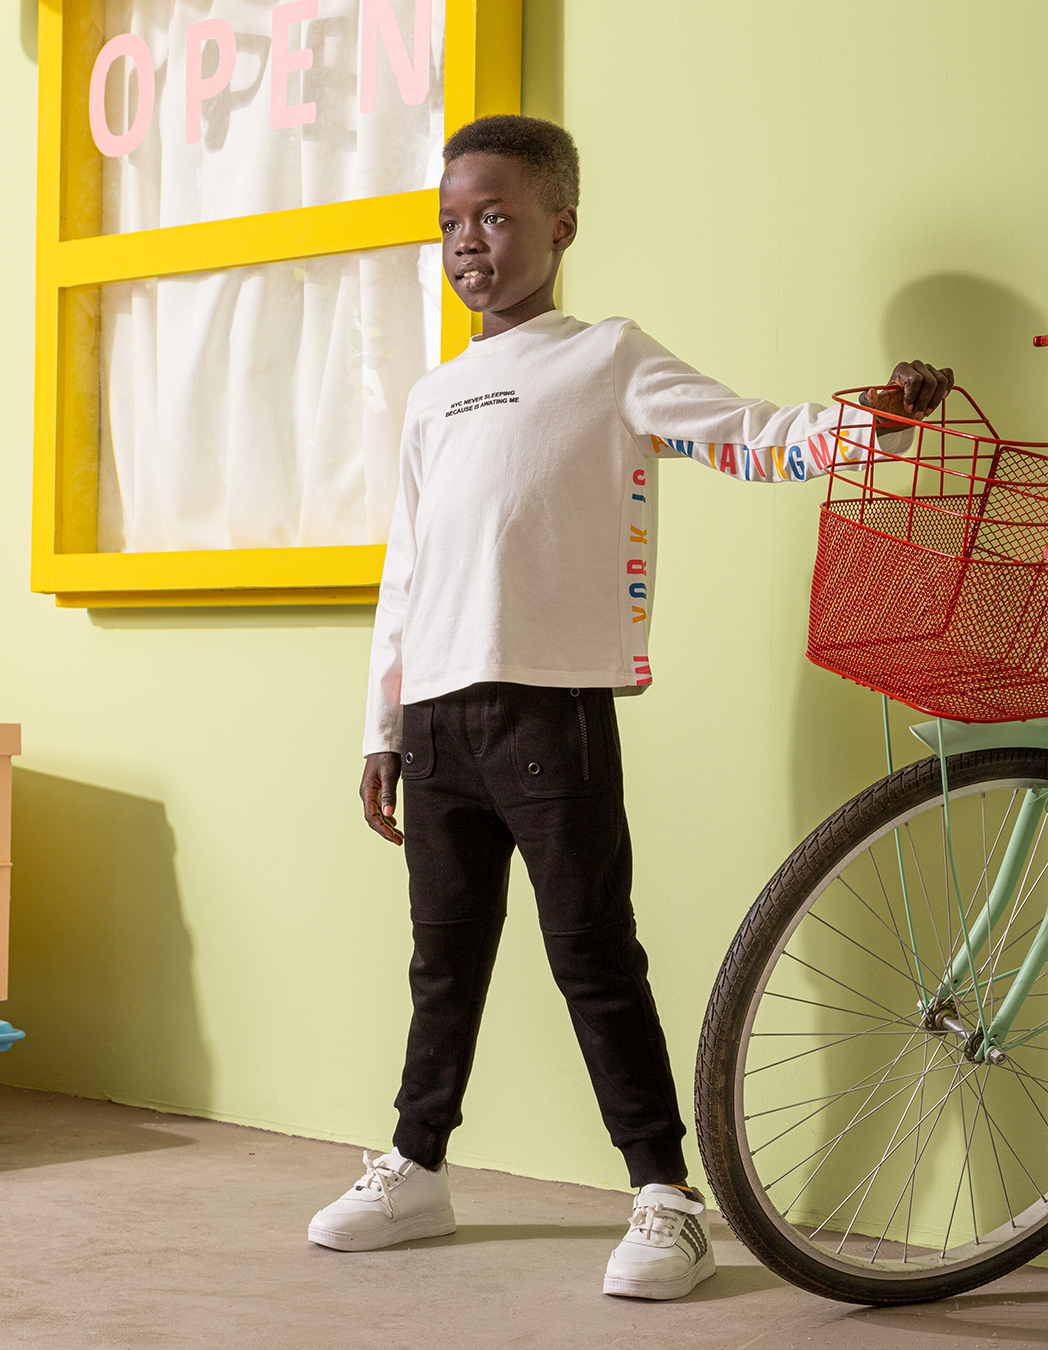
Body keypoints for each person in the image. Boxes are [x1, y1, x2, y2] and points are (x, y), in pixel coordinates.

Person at [307, 115, 953, 1300]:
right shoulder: (433, 396)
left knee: (592, 953)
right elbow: (406, 573)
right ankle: (417, 1165)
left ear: (560, 226)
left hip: (549, 713)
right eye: (450, 222)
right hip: (437, 721)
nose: (468, 241)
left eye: (495, 216)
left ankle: (666, 1193)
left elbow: (751, 434)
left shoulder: (606, 358)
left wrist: (876, 421)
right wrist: (380, 729)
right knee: (443, 963)